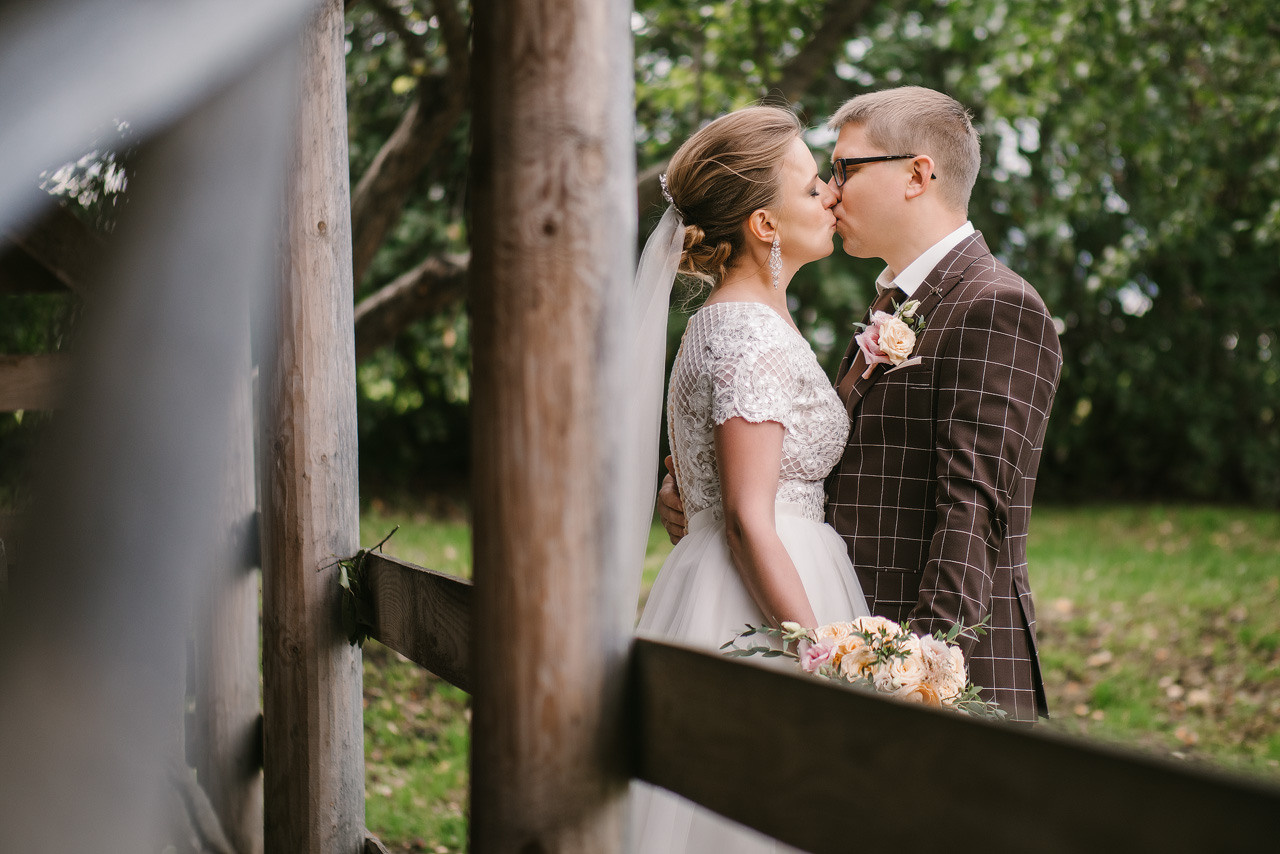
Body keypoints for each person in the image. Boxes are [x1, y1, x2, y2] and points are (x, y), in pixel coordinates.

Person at [659, 86, 1063, 724]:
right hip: (838, 632)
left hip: (933, 666)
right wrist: (709, 497)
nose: (832, 190)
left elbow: (973, 510)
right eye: (824, 176)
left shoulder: (994, 305)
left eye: (845, 168)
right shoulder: (890, 306)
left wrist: (926, 668)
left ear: (916, 175)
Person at [629, 106, 870, 854]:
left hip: (727, 580)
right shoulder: (750, 334)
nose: (831, 196)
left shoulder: (725, 321)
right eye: (811, 189)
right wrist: (823, 654)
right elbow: (745, 517)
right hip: (764, 593)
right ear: (765, 225)